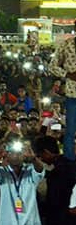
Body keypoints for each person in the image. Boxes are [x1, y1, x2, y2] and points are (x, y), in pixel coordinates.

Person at [49, 28, 76, 160]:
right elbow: (52, 66)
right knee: (70, 130)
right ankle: (69, 161)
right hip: (72, 95)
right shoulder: (66, 45)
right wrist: (67, 74)